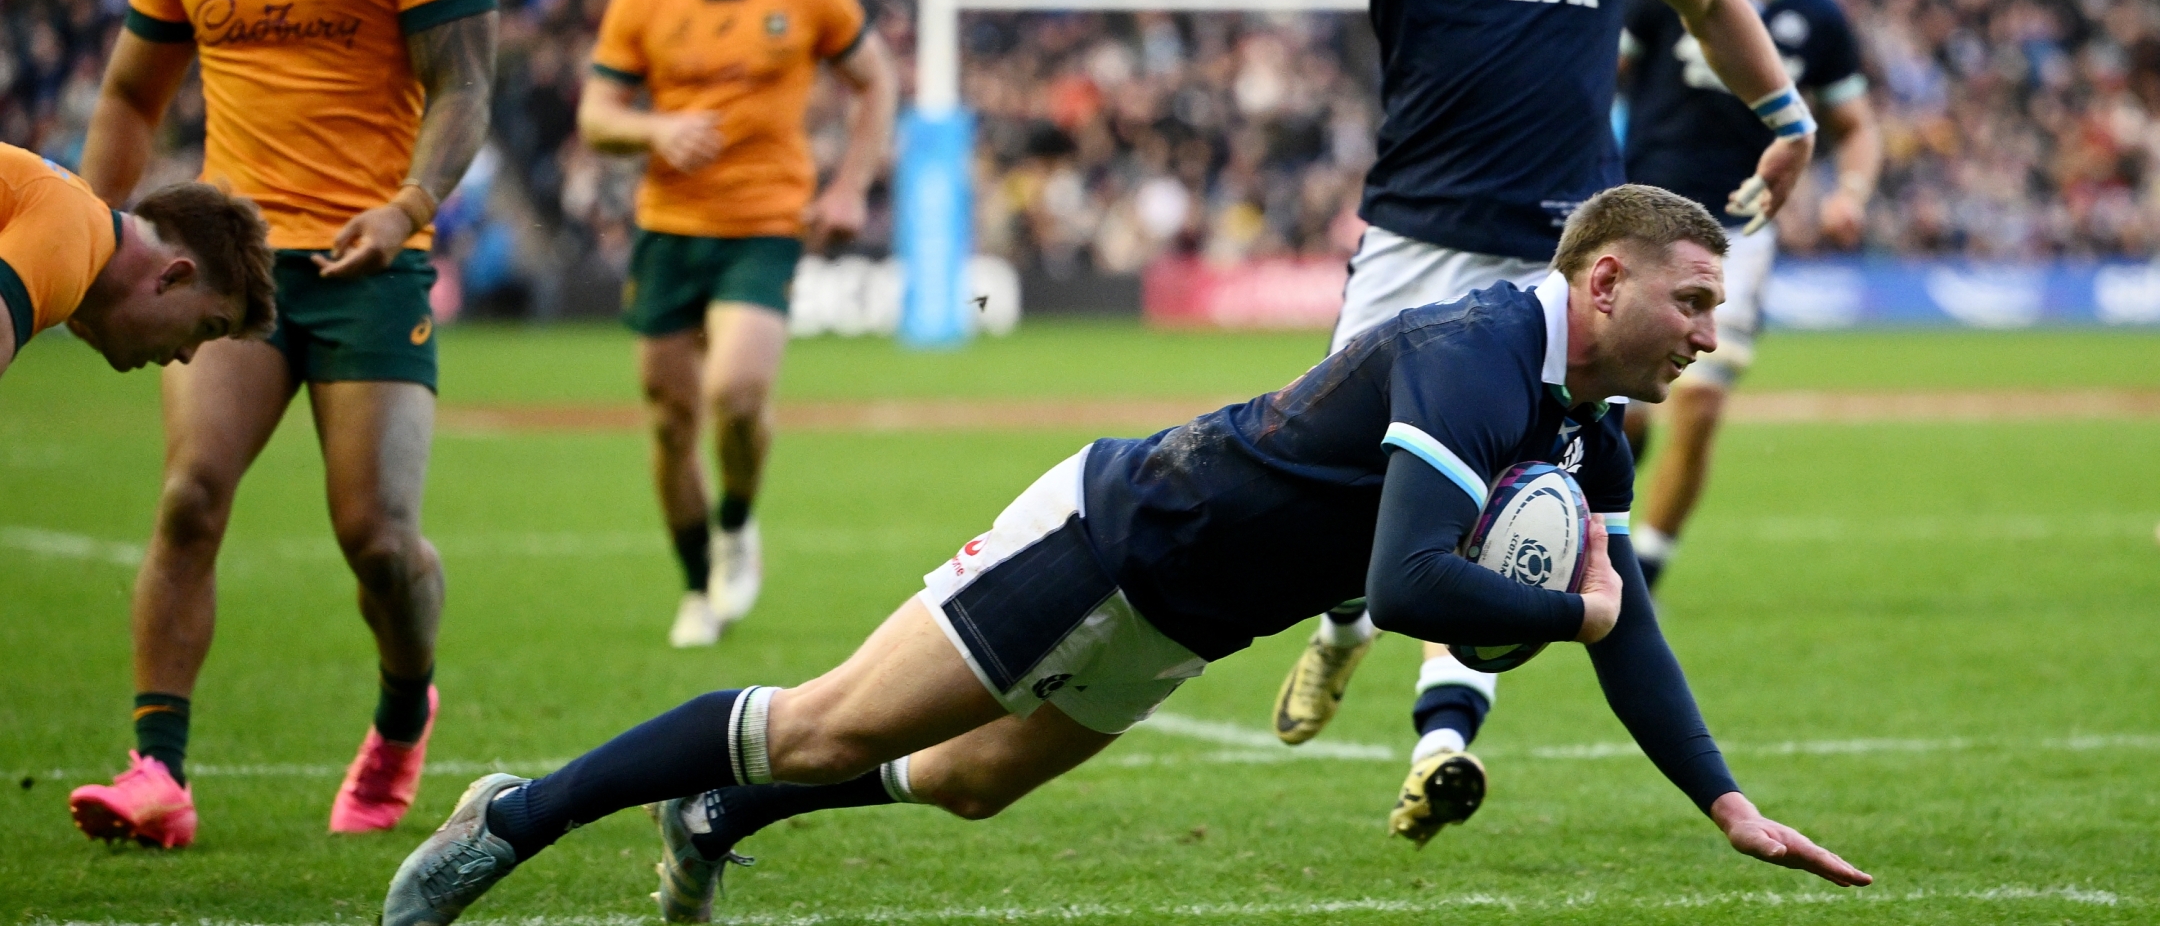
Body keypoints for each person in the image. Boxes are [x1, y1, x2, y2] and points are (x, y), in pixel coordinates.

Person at [378, 185, 1869, 926]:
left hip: (1192, 616)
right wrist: (1577, 610)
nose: (1707, 331)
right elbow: (1417, 588)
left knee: (967, 782)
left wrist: (1725, 801)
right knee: (825, 719)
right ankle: (521, 813)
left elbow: (1627, 626)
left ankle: (714, 808)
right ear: (1600, 281)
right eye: (1690, 298)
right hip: (1121, 529)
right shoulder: (1478, 348)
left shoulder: (1589, 437)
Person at [1135, 0, 1818, 842]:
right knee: (1344, 503)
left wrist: (1785, 114)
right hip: (1415, 247)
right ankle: (1348, 628)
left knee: (1521, 505)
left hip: (1562, 263)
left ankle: (1445, 731)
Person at [66, 0, 497, 848]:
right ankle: (156, 772)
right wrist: (91, 237)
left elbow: (465, 87)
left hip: (372, 262)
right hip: (227, 269)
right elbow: (128, 97)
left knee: (379, 539)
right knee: (189, 496)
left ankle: (404, 714)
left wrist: (406, 205)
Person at [578, 0, 897, 648]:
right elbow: (596, 115)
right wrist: (657, 131)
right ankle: (696, 585)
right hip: (669, 227)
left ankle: (738, 518)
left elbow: (876, 81)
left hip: (765, 222)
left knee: (739, 392)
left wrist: (852, 185)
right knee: (670, 416)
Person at [1618, 0, 1882, 588]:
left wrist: (1849, 192)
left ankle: (1646, 571)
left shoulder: (1817, 18)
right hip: (1642, 217)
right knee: (1626, 409)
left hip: (1741, 231)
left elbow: (1856, 123)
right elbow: (1603, 72)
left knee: (1699, 403)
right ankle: (1587, 517)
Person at [0, 144, 275, 381]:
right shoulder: (67, 237)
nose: (187, 356)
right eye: (208, 327)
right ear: (174, 276)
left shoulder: (73, 218)